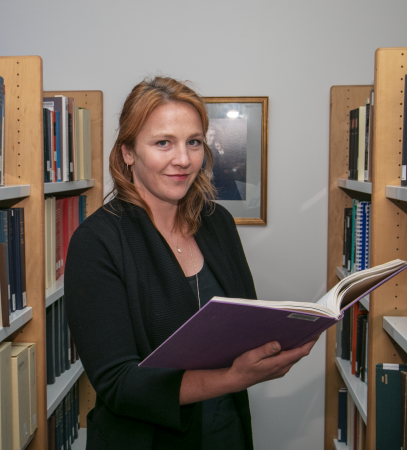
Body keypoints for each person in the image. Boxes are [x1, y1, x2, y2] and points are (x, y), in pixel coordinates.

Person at [64, 76, 318, 450]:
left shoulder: (218, 224)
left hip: (226, 431)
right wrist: (234, 377)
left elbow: (244, 321)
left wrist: (287, 337)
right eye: (163, 142)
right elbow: (119, 385)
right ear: (128, 153)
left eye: (193, 142)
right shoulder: (97, 242)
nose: (183, 160)